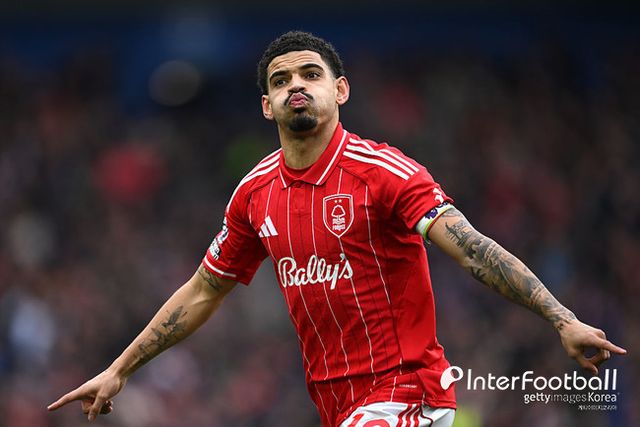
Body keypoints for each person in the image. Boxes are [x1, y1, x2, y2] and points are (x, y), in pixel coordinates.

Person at [48, 31, 627, 427]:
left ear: (340, 90)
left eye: (311, 73)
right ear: (267, 106)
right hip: (336, 405)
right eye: (281, 80)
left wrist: (562, 318)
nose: (296, 85)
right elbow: (204, 289)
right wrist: (118, 371)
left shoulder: (384, 172)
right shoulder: (254, 193)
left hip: (407, 394)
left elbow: (473, 248)